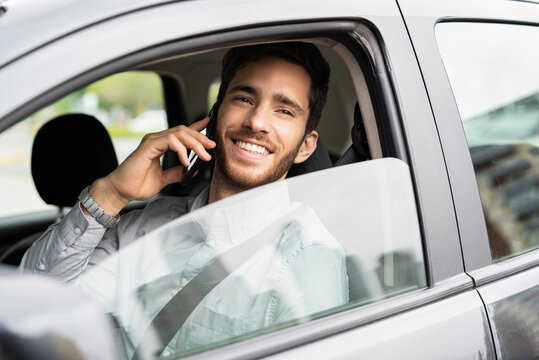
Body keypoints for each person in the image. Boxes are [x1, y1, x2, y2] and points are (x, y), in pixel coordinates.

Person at [20, 42, 348, 357]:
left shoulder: (310, 257)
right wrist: (112, 193)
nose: (257, 122)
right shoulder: (147, 226)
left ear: (306, 146)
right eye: (245, 98)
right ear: (215, 117)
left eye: (284, 110)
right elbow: (32, 306)